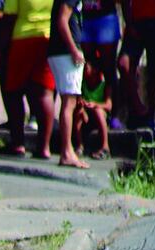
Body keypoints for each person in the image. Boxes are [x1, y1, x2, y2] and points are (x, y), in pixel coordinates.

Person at [2, 0, 56, 159]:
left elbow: (10, 16)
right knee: (45, 93)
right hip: (48, 37)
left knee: (13, 91)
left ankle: (18, 144)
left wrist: (2, 48)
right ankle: (44, 147)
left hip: (22, 38)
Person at [117, 0, 155, 127]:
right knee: (123, 64)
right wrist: (129, 23)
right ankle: (138, 109)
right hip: (136, 21)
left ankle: (150, 115)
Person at [48, 0, 87, 167]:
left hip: (59, 51)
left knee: (68, 101)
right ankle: (66, 152)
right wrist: (74, 50)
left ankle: (68, 150)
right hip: (65, 52)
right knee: (69, 102)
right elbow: (62, 20)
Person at [74, 62, 113, 158]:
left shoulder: (105, 85)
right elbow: (77, 99)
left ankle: (105, 147)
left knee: (98, 111)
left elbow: (108, 105)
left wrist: (95, 105)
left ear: (95, 70)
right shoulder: (82, 84)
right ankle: (79, 145)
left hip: (100, 116)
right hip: (86, 116)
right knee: (78, 112)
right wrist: (82, 104)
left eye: (86, 68)